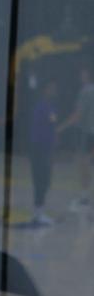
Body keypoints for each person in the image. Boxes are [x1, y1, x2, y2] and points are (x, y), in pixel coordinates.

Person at [57, 63, 94, 211]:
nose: (80, 75)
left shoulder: (86, 91)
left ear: (87, 74)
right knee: (87, 164)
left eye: (82, 73)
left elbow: (77, 115)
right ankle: (85, 197)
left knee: (83, 165)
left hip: (87, 133)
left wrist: (60, 128)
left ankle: (84, 198)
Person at [27, 79, 58, 227]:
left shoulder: (51, 107)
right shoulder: (41, 107)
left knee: (45, 180)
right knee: (40, 180)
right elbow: (40, 130)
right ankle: (38, 213)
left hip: (46, 148)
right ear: (45, 90)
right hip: (39, 148)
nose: (54, 91)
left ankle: (39, 210)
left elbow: (52, 126)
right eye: (51, 88)